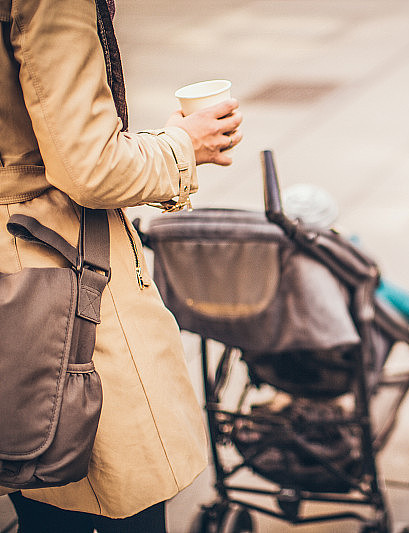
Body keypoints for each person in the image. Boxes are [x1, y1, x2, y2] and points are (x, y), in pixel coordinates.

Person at [0, 0, 242, 531]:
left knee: (33, 487)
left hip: (17, 283)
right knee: (113, 493)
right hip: (60, 282)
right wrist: (185, 145)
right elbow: (91, 168)